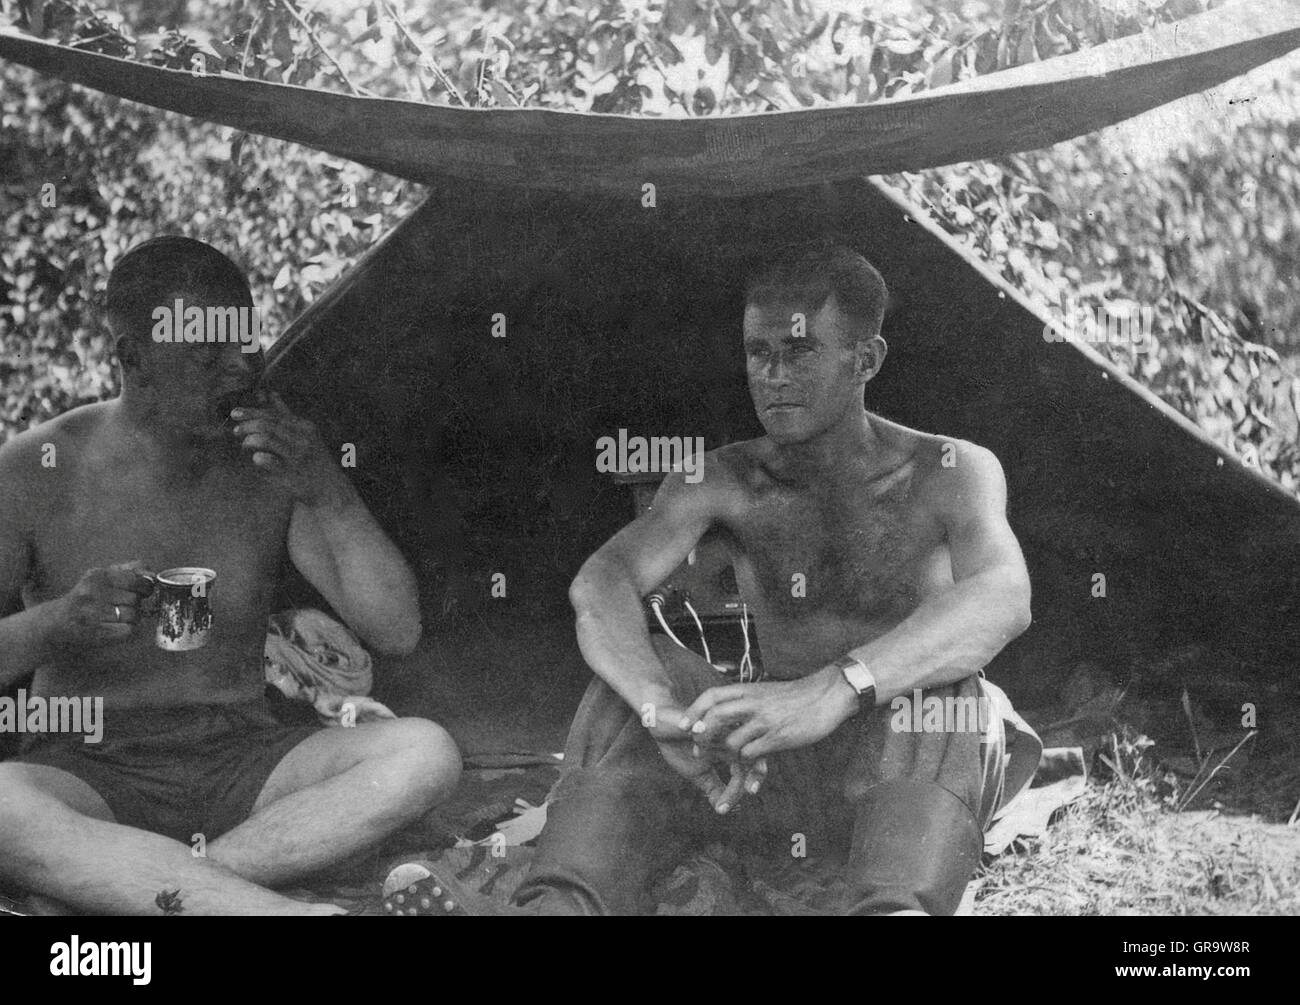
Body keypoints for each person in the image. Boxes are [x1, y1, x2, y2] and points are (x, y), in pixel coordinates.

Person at [514, 242, 1038, 915]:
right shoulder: (726, 477)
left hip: (900, 778)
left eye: (800, 351)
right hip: (760, 775)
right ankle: (559, 905)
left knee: (951, 695)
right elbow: (602, 581)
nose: (775, 375)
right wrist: (658, 706)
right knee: (631, 686)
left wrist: (835, 687)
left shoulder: (949, 469)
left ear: (866, 360)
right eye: (759, 353)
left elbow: (1004, 596)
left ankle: (894, 907)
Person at [0, 236, 459, 916]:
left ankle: (165, 887)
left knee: (427, 752)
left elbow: (396, 629)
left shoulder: (270, 463)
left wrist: (329, 491)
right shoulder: (35, 468)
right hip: (89, 767)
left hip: (243, 758)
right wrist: (57, 619)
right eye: (207, 355)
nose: (239, 370)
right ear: (133, 359)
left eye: (245, 345)